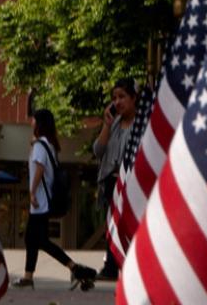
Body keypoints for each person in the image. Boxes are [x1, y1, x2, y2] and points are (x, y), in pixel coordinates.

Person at [13, 109, 96, 288]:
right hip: (43, 202)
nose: (31, 121)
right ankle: (32, 276)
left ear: (39, 123)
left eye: (33, 118)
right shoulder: (47, 145)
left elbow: (39, 169)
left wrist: (32, 192)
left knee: (36, 239)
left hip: (40, 202)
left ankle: (74, 268)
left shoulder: (40, 146)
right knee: (34, 239)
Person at [93, 78, 138, 280]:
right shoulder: (114, 124)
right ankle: (110, 267)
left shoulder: (141, 124)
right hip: (111, 181)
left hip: (131, 182)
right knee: (111, 225)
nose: (118, 102)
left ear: (134, 98)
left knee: (130, 225)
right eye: (115, 98)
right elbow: (98, 150)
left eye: (122, 97)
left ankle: (133, 267)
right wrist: (106, 125)